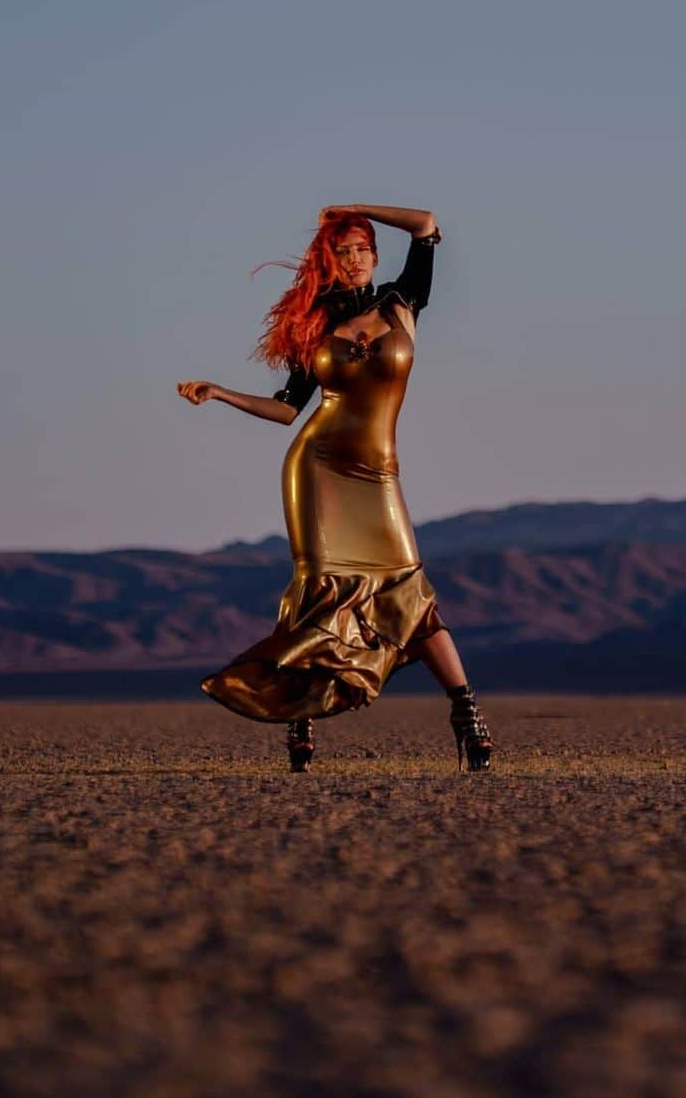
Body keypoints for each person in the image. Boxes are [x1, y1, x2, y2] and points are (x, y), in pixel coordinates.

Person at [177, 204, 493, 773]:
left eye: (361, 249)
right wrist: (221, 393)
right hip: (317, 466)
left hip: (377, 471)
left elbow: (424, 224)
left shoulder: (403, 300)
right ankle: (298, 715)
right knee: (319, 591)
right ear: (330, 261)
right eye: (342, 251)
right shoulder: (316, 320)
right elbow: (286, 409)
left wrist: (356, 209)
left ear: (375, 254)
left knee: (408, 590)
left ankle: (466, 716)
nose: (353, 260)